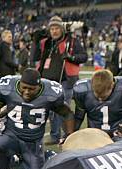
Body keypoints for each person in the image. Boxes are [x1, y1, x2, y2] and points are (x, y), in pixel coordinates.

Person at [36, 16, 87, 144]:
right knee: (51, 110)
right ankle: (55, 136)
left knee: (63, 109)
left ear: (62, 28)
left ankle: (68, 136)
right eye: (52, 28)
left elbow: (84, 56)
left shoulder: (72, 41)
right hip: (47, 81)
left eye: (56, 28)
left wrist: (71, 57)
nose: (54, 31)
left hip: (65, 81)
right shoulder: (47, 42)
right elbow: (38, 57)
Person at [73, 69, 122, 139]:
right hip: (95, 136)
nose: (100, 99)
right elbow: (78, 117)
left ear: (112, 85)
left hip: (120, 136)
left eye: (103, 96)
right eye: (97, 96)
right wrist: (70, 134)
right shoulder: (82, 91)